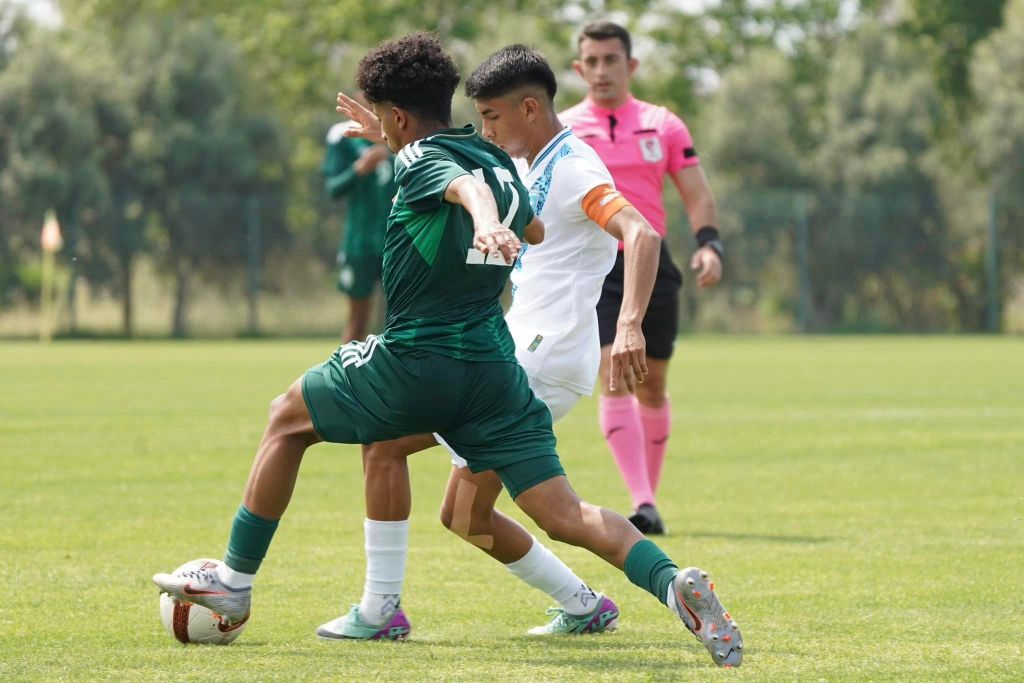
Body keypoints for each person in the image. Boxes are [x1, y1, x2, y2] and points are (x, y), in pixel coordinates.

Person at [153, 33, 742, 668]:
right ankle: (664, 582)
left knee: (287, 417)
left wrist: (480, 214)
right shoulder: (502, 163)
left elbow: (464, 188)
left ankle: (239, 588)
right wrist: (435, 169)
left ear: (400, 117)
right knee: (540, 512)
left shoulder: (473, 164)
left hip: (440, 355)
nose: (486, 124)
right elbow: (531, 223)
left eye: (386, 118)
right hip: (496, 369)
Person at [323, 43, 661, 640]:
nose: (484, 130)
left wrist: (630, 321)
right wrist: (392, 134)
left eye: (491, 117)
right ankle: (586, 605)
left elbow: (640, 232)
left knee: (386, 444)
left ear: (528, 108)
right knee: (464, 515)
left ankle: (379, 611)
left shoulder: (575, 166)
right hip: (525, 348)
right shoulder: (532, 159)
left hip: (537, 353)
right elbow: (463, 178)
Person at [561, 21, 725, 534]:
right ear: (578, 68)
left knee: (652, 387)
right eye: (593, 61)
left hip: (655, 262)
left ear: (630, 66)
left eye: (612, 60)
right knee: (614, 370)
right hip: (598, 265)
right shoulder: (563, 129)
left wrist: (710, 245)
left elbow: (696, 193)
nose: (602, 70)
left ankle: (648, 502)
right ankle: (644, 500)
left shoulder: (663, 124)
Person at [322, 93, 397, 342]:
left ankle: (393, 380)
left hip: (398, 242)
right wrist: (359, 169)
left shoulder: (401, 129)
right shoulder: (343, 135)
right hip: (360, 241)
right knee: (357, 322)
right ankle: (345, 380)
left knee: (400, 321)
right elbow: (333, 188)